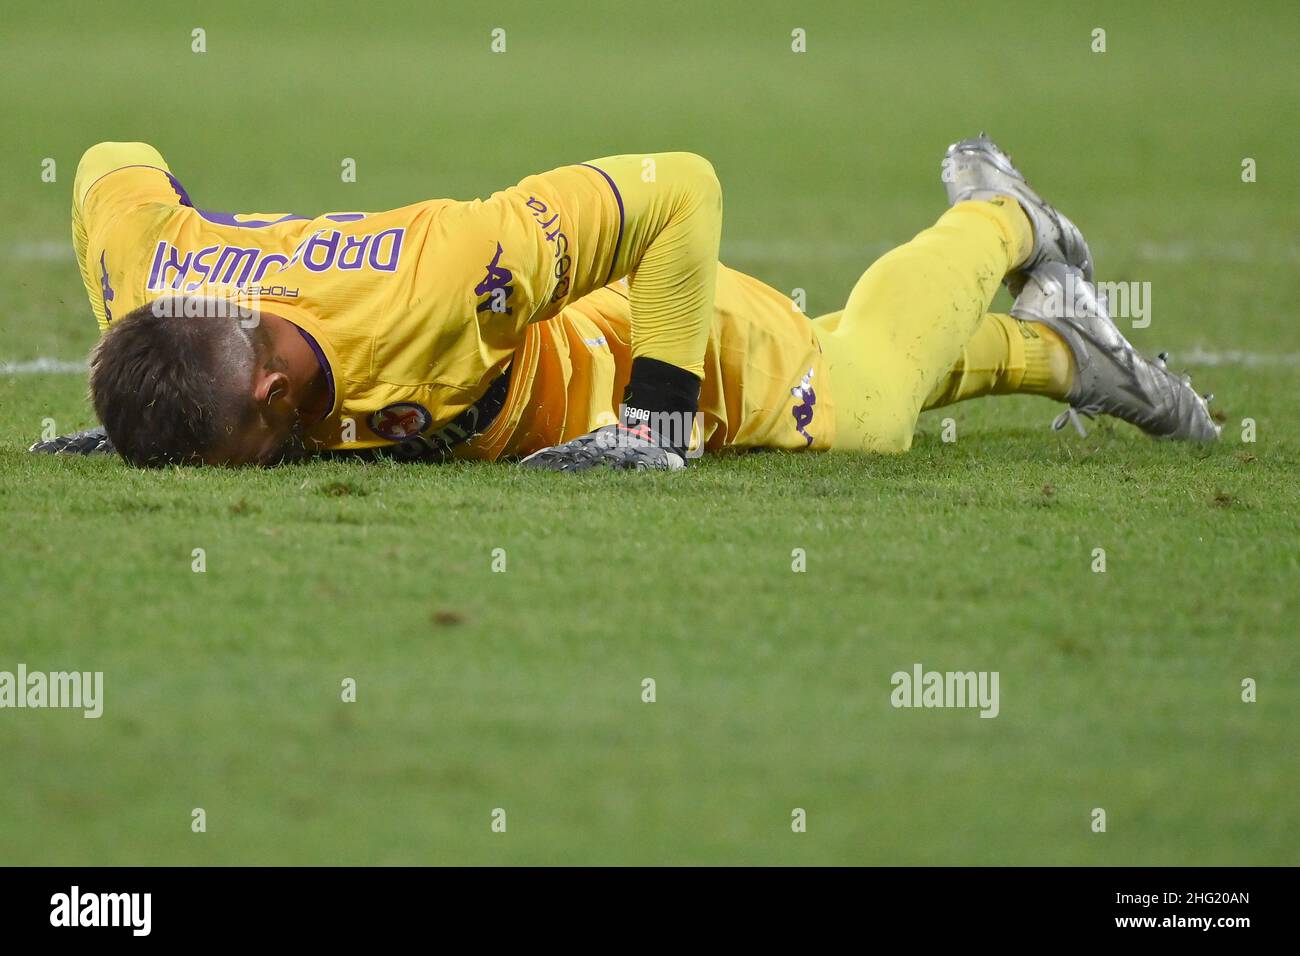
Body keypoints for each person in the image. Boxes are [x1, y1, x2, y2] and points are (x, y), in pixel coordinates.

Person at [40, 135, 1218, 468]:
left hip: (660, 347)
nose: (267, 459)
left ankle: (1003, 219)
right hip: (561, 375)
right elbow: (110, 163)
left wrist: (654, 422)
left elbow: (686, 192)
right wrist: (144, 407)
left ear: (271, 385)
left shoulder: (451, 272)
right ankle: (1068, 347)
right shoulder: (153, 275)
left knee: (862, 403)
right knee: (859, 350)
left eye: (252, 445)